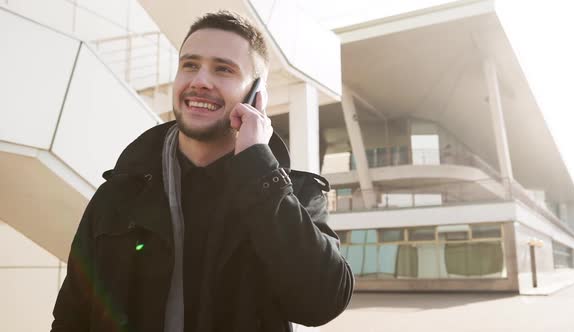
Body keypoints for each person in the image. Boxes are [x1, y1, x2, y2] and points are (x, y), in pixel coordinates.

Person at [51, 10, 354, 332]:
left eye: (223, 69)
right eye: (190, 65)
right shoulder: (117, 194)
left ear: (256, 95)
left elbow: (322, 303)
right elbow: (72, 315)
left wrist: (258, 166)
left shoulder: (293, 194)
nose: (199, 81)